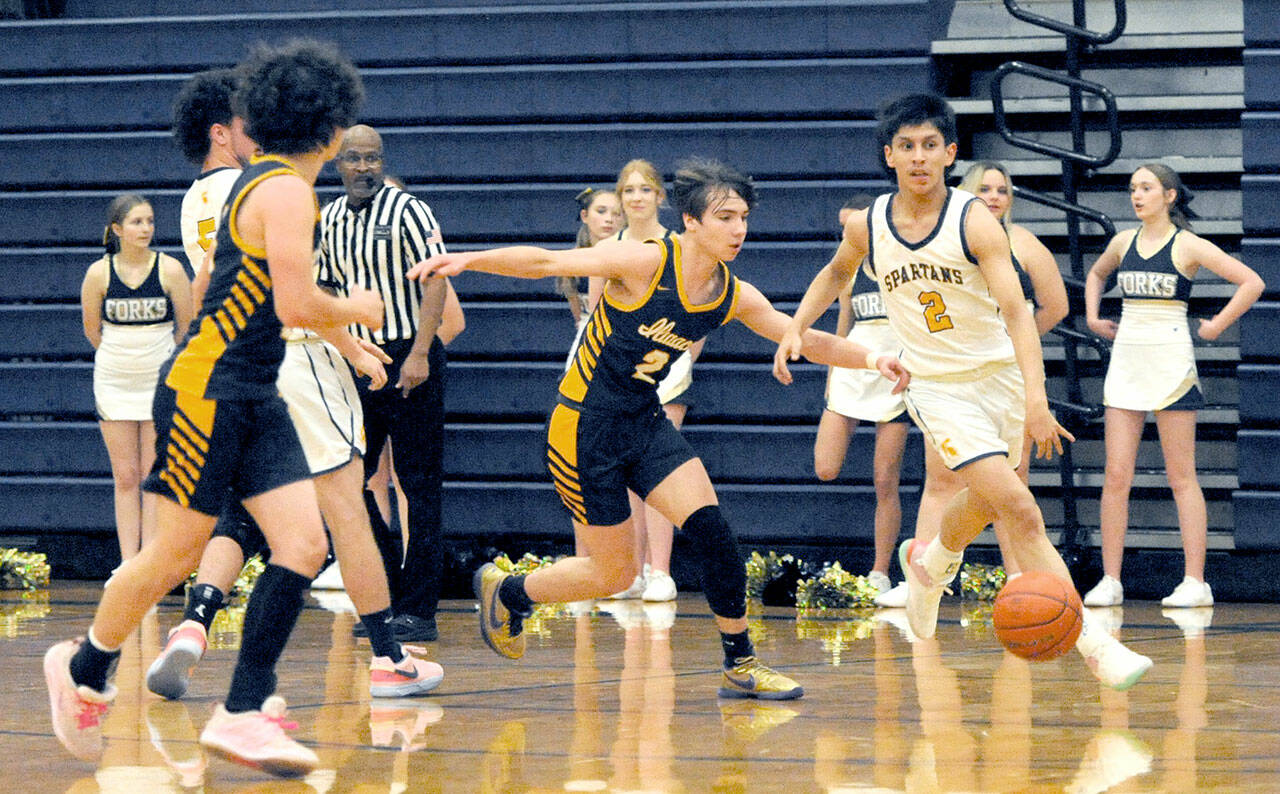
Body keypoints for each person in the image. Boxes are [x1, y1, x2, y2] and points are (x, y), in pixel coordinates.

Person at [410, 157, 909, 700]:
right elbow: (548, 263)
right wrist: (471, 259)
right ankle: (508, 590)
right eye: (725, 216)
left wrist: (871, 359)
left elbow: (802, 337)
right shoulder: (645, 260)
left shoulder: (731, 293)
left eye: (743, 216)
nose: (739, 228)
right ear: (692, 222)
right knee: (613, 574)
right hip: (583, 426)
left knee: (717, 537)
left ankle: (740, 664)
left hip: (643, 421)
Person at [45, 39, 381, 777]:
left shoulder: (269, 182)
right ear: (330, 127)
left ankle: (242, 709)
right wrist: (354, 310)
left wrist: (346, 342)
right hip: (208, 389)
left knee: (302, 545)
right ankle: (83, 668)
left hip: (250, 389)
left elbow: (269, 295)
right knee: (175, 554)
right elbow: (294, 301)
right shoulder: (287, 191)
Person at [774, 93, 1152, 691]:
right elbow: (836, 273)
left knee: (985, 501)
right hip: (939, 388)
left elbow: (1019, 311)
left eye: (930, 146)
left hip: (998, 378)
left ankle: (930, 562)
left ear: (950, 154)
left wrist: (1035, 398)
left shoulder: (973, 218)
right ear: (889, 155)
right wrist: (796, 326)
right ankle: (1095, 645)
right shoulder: (868, 223)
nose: (918, 157)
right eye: (907, 147)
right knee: (1020, 507)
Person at [145, 69, 444, 706]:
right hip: (296, 360)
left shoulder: (200, 196)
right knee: (346, 507)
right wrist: (351, 326)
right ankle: (388, 658)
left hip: (232, 367)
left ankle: (193, 625)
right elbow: (297, 300)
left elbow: (205, 283)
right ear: (225, 133)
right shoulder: (279, 189)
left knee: (245, 511)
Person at [877, 160, 1070, 609]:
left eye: (1003, 189)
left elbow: (1054, 306)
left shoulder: (1022, 243)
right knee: (941, 482)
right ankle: (922, 575)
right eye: (985, 187)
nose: (995, 196)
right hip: (946, 377)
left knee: (1008, 489)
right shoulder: (943, 236)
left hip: (1002, 374)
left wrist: (1011, 347)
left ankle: (1018, 577)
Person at [1081, 163, 1263, 608]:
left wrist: (1218, 325)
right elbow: (1096, 274)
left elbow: (1251, 282)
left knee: (1181, 475)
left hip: (1170, 362)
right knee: (1116, 475)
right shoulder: (1122, 243)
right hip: (1126, 361)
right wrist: (1090, 315)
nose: (1137, 196)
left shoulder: (1188, 244)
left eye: (1146, 188)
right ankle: (1110, 579)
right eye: (1132, 189)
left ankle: (1195, 581)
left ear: (1170, 195)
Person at [319, 124, 449, 643]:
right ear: (339, 165)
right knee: (350, 481)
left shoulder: (410, 210)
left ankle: (419, 610)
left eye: (373, 158)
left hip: (410, 355)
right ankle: (385, 591)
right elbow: (326, 288)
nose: (365, 168)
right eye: (354, 159)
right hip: (358, 360)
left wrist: (419, 352)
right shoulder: (328, 219)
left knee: (419, 486)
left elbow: (438, 279)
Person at [600, 159, 700, 602]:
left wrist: (679, 357)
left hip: (667, 367)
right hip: (620, 375)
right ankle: (635, 570)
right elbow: (595, 316)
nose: (636, 197)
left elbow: (700, 312)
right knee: (626, 475)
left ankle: (661, 569)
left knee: (660, 470)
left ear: (661, 196)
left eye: (645, 189)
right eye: (628, 190)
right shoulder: (609, 247)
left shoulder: (679, 247)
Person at [80, 194, 192, 562]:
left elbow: (186, 329)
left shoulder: (170, 270)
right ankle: (129, 563)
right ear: (117, 229)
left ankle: (151, 564)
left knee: (151, 476)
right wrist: (122, 356)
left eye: (149, 221)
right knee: (126, 477)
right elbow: (92, 331)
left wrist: (161, 365)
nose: (146, 229)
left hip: (158, 382)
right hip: (114, 382)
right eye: (137, 222)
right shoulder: (98, 273)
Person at [813, 194, 910, 600]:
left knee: (885, 480)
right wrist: (832, 375)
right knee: (825, 467)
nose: (847, 234)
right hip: (856, 364)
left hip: (896, 370)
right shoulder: (848, 274)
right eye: (843, 226)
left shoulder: (904, 267)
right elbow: (841, 327)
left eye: (853, 224)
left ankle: (880, 571)